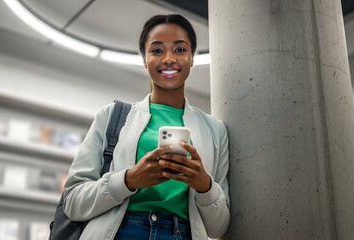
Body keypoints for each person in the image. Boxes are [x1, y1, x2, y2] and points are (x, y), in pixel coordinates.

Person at [63, 14, 230, 240]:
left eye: (180, 50)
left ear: (192, 58)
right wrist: (129, 180)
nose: (169, 58)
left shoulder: (215, 130)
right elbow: (72, 201)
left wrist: (205, 186)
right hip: (120, 232)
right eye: (157, 50)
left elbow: (218, 228)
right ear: (144, 59)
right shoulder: (112, 116)